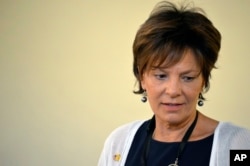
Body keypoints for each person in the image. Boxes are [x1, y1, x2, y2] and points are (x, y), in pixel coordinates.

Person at [98, 1, 250, 166]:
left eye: (188, 78)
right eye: (161, 75)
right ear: (142, 77)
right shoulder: (118, 143)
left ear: (203, 80)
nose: (173, 91)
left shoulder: (239, 145)